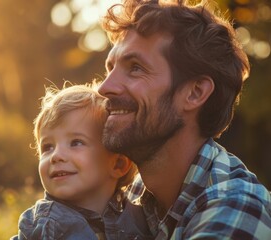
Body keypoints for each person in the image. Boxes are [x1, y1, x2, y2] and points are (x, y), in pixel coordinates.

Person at [98, 0, 271, 239]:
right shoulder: (133, 194)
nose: (105, 87)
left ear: (195, 93)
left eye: (136, 68)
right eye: (110, 68)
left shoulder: (235, 206)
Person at [12, 83, 152, 239]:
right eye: (47, 147)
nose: (56, 155)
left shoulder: (140, 219)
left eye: (76, 143)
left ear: (118, 164)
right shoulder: (46, 224)